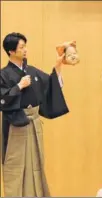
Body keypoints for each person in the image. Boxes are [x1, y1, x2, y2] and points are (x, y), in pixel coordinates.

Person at [0, 32, 72, 196]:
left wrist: (58, 66)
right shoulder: (3, 74)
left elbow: (51, 86)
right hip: (15, 125)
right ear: (11, 51)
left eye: (25, 46)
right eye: (21, 47)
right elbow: (2, 99)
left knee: (36, 163)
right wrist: (18, 86)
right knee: (16, 165)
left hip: (33, 123)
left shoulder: (32, 71)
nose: (25, 50)